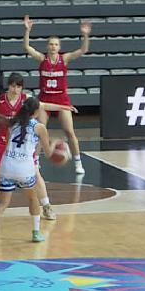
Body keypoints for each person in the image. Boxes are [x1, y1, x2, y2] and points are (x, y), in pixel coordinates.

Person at [0, 72, 77, 221]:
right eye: (12, 86)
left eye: (18, 86)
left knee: (36, 176)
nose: (15, 89)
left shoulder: (26, 100)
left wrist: (63, 107)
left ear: (22, 88)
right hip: (3, 143)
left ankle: (46, 206)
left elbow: (43, 105)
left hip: (24, 145)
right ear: (8, 86)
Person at [0, 97, 52, 248]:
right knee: (33, 199)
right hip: (24, 168)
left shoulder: (13, 124)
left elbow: (7, 145)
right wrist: (59, 146)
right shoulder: (39, 127)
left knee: (2, 203)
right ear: (37, 111)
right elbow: (49, 153)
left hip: (7, 165)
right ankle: (36, 232)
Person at [22, 15, 91, 174]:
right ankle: (35, 160)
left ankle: (78, 162)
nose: (53, 47)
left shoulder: (64, 59)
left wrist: (85, 35)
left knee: (69, 131)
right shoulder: (42, 59)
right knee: (40, 128)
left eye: (56, 44)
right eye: (51, 44)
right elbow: (27, 47)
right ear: (47, 46)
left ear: (59, 47)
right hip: (45, 99)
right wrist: (27, 31)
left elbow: (83, 50)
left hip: (61, 99)